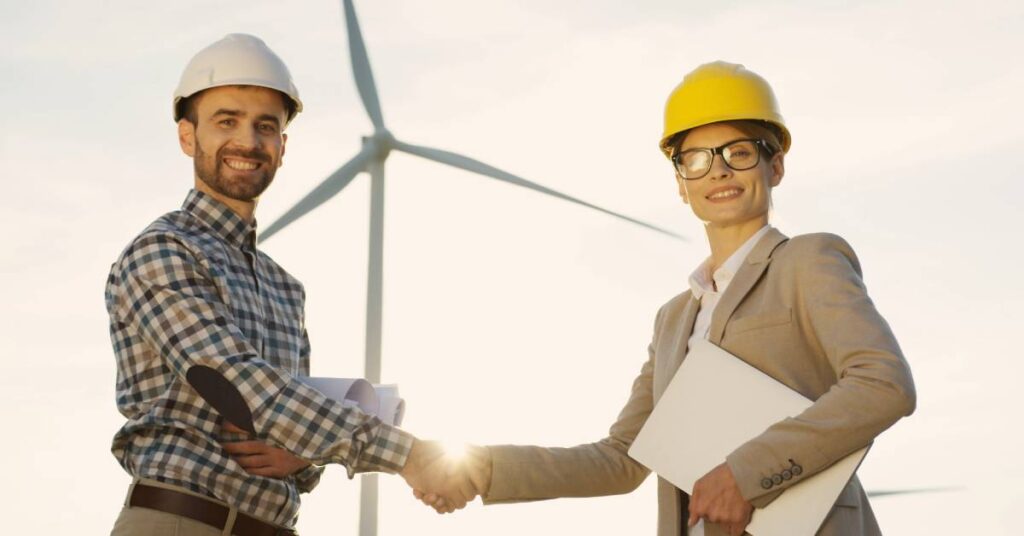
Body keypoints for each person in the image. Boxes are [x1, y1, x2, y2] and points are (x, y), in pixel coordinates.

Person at [405, 61, 917, 535]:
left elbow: (884, 385)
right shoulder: (673, 319)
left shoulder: (807, 260)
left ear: (775, 166)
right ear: (679, 182)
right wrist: (480, 466)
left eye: (738, 153)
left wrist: (746, 472)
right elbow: (625, 458)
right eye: (696, 159)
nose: (718, 171)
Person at [105, 33, 480, 536]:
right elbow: (239, 387)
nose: (248, 141)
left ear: (283, 147)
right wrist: (409, 456)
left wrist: (303, 453)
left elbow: (294, 449)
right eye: (226, 120)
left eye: (266, 126)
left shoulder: (285, 288)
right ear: (187, 137)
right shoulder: (163, 252)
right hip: (183, 521)